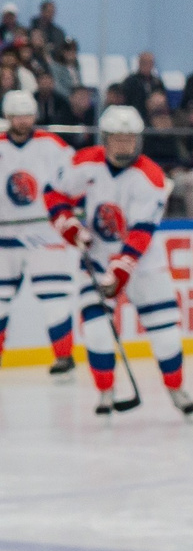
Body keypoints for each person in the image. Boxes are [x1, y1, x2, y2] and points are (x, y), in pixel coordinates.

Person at [57, 105, 193, 415]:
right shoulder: (85, 162)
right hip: (96, 259)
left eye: (129, 139)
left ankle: (176, 389)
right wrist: (70, 226)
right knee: (95, 331)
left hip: (143, 265)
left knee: (166, 335)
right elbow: (55, 194)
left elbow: (140, 234)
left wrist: (120, 271)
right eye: (117, 139)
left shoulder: (152, 178)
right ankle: (105, 393)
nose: (124, 145)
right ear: (105, 139)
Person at [0, 89, 80, 375]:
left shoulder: (52, 145)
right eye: (17, 115)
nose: (23, 121)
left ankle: (64, 356)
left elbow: (74, 179)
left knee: (55, 296)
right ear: (8, 117)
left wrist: (70, 208)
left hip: (43, 234)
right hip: (3, 238)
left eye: (27, 115)